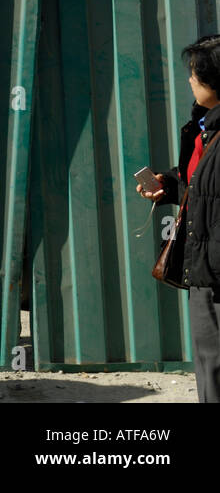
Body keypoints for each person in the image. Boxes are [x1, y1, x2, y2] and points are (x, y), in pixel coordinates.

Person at [138, 33, 220, 403]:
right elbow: (200, 180)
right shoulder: (207, 127)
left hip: (215, 271)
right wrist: (167, 184)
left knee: (215, 364)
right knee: (208, 364)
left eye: (196, 75)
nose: (190, 80)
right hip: (206, 269)